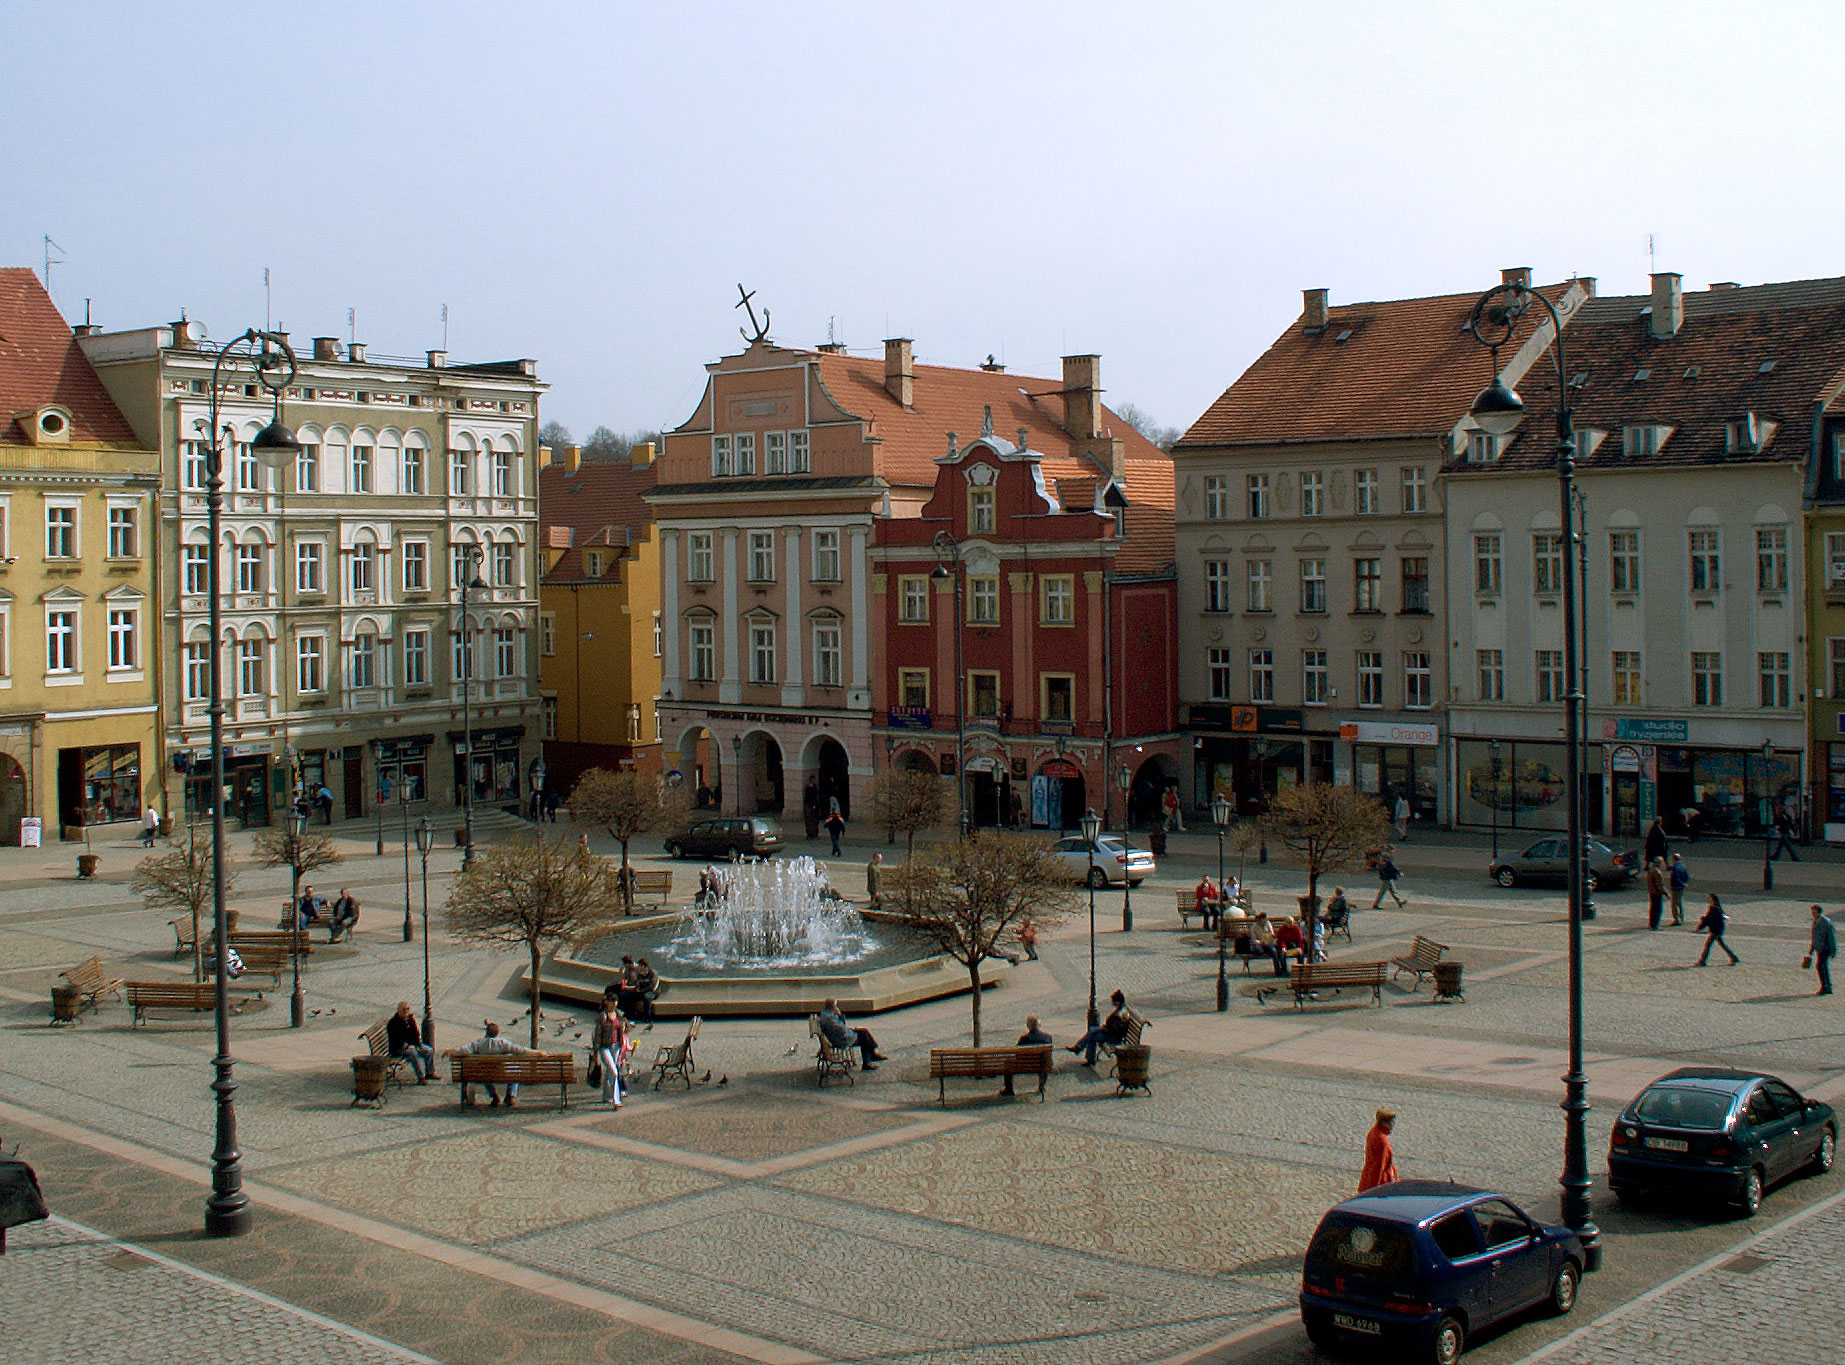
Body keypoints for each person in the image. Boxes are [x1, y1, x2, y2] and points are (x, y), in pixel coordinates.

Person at [448, 1021, 536, 1107]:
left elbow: (463, 1051)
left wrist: (449, 1051)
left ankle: (494, 1095)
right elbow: (521, 1050)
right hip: (503, 1073)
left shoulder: (478, 1043)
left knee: (484, 1071)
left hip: (486, 1074)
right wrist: (538, 1053)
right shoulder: (503, 1043)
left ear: (486, 1032)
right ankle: (510, 1095)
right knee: (515, 1071)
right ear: (497, 1033)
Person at [1067, 989, 1135, 1066]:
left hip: (1114, 1037)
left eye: (1113, 1001)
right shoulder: (1121, 1009)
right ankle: (1079, 1048)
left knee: (1093, 1035)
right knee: (1092, 1030)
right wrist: (1104, 1028)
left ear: (1118, 1002)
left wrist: (1104, 1029)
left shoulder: (1121, 1014)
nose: (1112, 1002)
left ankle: (1083, 1052)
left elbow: (1115, 1030)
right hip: (1110, 1032)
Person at [817, 997, 886, 1069]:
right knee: (864, 1036)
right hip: (841, 1039)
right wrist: (840, 1016)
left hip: (837, 1037)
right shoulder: (830, 1018)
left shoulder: (826, 1014)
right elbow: (842, 1030)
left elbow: (840, 1028)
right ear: (833, 1006)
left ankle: (873, 1054)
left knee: (863, 1031)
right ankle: (867, 1062)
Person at [1003, 1015, 1054, 1095]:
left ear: (1028, 1026)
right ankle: (1042, 1086)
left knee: (1008, 1063)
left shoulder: (1024, 1039)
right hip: (1042, 1065)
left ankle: (1009, 1089)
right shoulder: (1048, 1038)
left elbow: (1017, 1054)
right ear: (1039, 1025)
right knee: (1045, 1060)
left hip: (1024, 1066)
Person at [386, 1001, 436, 1083]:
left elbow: (416, 1034)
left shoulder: (409, 1020)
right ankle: (421, 1077)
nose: (406, 1011)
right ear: (398, 1010)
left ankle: (430, 1073)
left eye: (407, 1009)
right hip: (398, 1049)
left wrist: (418, 1044)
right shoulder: (393, 1023)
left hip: (411, 1045)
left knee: (428, 1050)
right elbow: (396, 1041)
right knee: (413, 1053)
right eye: (403, 1009)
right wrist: (406, 1046)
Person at [591, 998, 626, 1108]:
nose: (615, 1003)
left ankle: (607, 1096)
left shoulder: (619, 1015)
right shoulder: (603, 1016)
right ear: (607, 1003)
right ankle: (616, 1100)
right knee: (614, 1072)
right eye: (612, 1001)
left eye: (616, 1001)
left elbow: (623, 1030)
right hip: (605, 1047)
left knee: (610, 1072)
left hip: (616, 1046)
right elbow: (597, 1035)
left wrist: (622, 1046)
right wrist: (595, 1052)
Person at [1358, 1108, 1399, 1192]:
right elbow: (1379, 1167)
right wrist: (1374, 1190)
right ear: (1384, 1123)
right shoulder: (1382, 1140)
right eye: (1391, 1121)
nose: (1393, 1124)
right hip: (1381, 1182)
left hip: (1368, 1176)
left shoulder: (1373, 1131)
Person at [1695, 893, 1738, 966]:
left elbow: (1709, 920)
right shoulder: (1718, 909)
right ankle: (1733, 957)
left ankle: (1702, 961)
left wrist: (1700, 925)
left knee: (1708, 945)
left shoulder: (1713, 909)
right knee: (1721, 945)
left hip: (1715, 930)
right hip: (1718, 930)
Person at [1803, 904, 1837, 996]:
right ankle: (1827, 986)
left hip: (1825, 948)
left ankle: (1825, 986)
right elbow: (1814, 937)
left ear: (1819, 912)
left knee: (1820, 966)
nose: (1813, 914)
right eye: (1812, 913)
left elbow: (1831, 937)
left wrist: (1833, 951)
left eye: (1814, 913)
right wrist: (1811, 950)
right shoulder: (1816, 921)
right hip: (1819, 948)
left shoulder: (1825, 922)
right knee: (1823, 967)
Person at [1248, 913, 1289, 977]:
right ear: (1259, 919)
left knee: (1275, 952)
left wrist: (1271, 937)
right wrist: (1260, 942)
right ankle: (1279, 970)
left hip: (1268, 943)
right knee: (1259, 950)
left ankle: (1279, 971)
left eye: (1265, 919)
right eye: (1263, 919)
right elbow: (1253, 940)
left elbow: (1271, 933)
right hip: (1259, 944)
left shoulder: (1268, 923)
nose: (1265, 920)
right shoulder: (1254, 927)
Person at [632, 958, 659, 1024]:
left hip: (652, 992)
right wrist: (636, 984)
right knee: (626, 995)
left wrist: (641, 990)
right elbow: (638, 984)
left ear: (643, 966)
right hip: (642, 991)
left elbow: (651, 986)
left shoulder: (652, 973)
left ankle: (647, 1018)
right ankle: (630, 1015)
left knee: (647, 997)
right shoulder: (639, 974)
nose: (638, 967)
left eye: (639, 965)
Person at [1667, 854, 1689, 926]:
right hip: (1681, 888)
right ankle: (1681, 917)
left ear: (1674, 859)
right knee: (1679, 903)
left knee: (1674, 904)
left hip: (1676, 887)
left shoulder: (1675, 868)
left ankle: (1677, 919)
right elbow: (1687, 876)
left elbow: (1676, 878)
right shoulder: (1683, 866)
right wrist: (1684, 883)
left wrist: (1681, 883)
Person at [1645, 858, 1666, 931]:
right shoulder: (1657, 872)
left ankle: (1651, 924)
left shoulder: (1650, 870)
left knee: (1653, 908)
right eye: (1662, 862)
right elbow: (1660, 885)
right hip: (1657, 893)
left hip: (1652, 892)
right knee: (1658, 909)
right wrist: (1666, 893)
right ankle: (1655, 925)